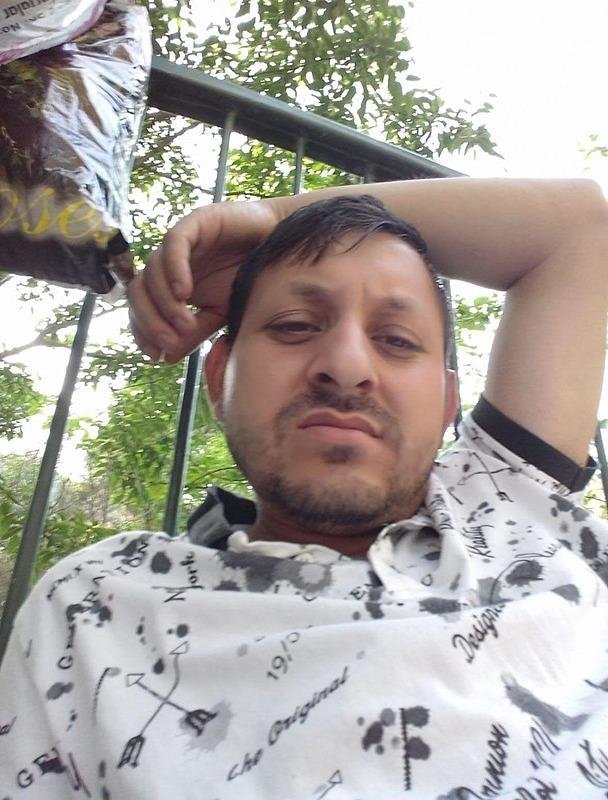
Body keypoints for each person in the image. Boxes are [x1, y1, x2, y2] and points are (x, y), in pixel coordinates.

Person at [1, 178, 607, 799]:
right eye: (294, 326)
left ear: (449, 402)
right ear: (220, 377)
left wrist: (269, 216)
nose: (346, 366)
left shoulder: (505, 502)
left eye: (396, 341)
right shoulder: (96, 607)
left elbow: (579, 225)